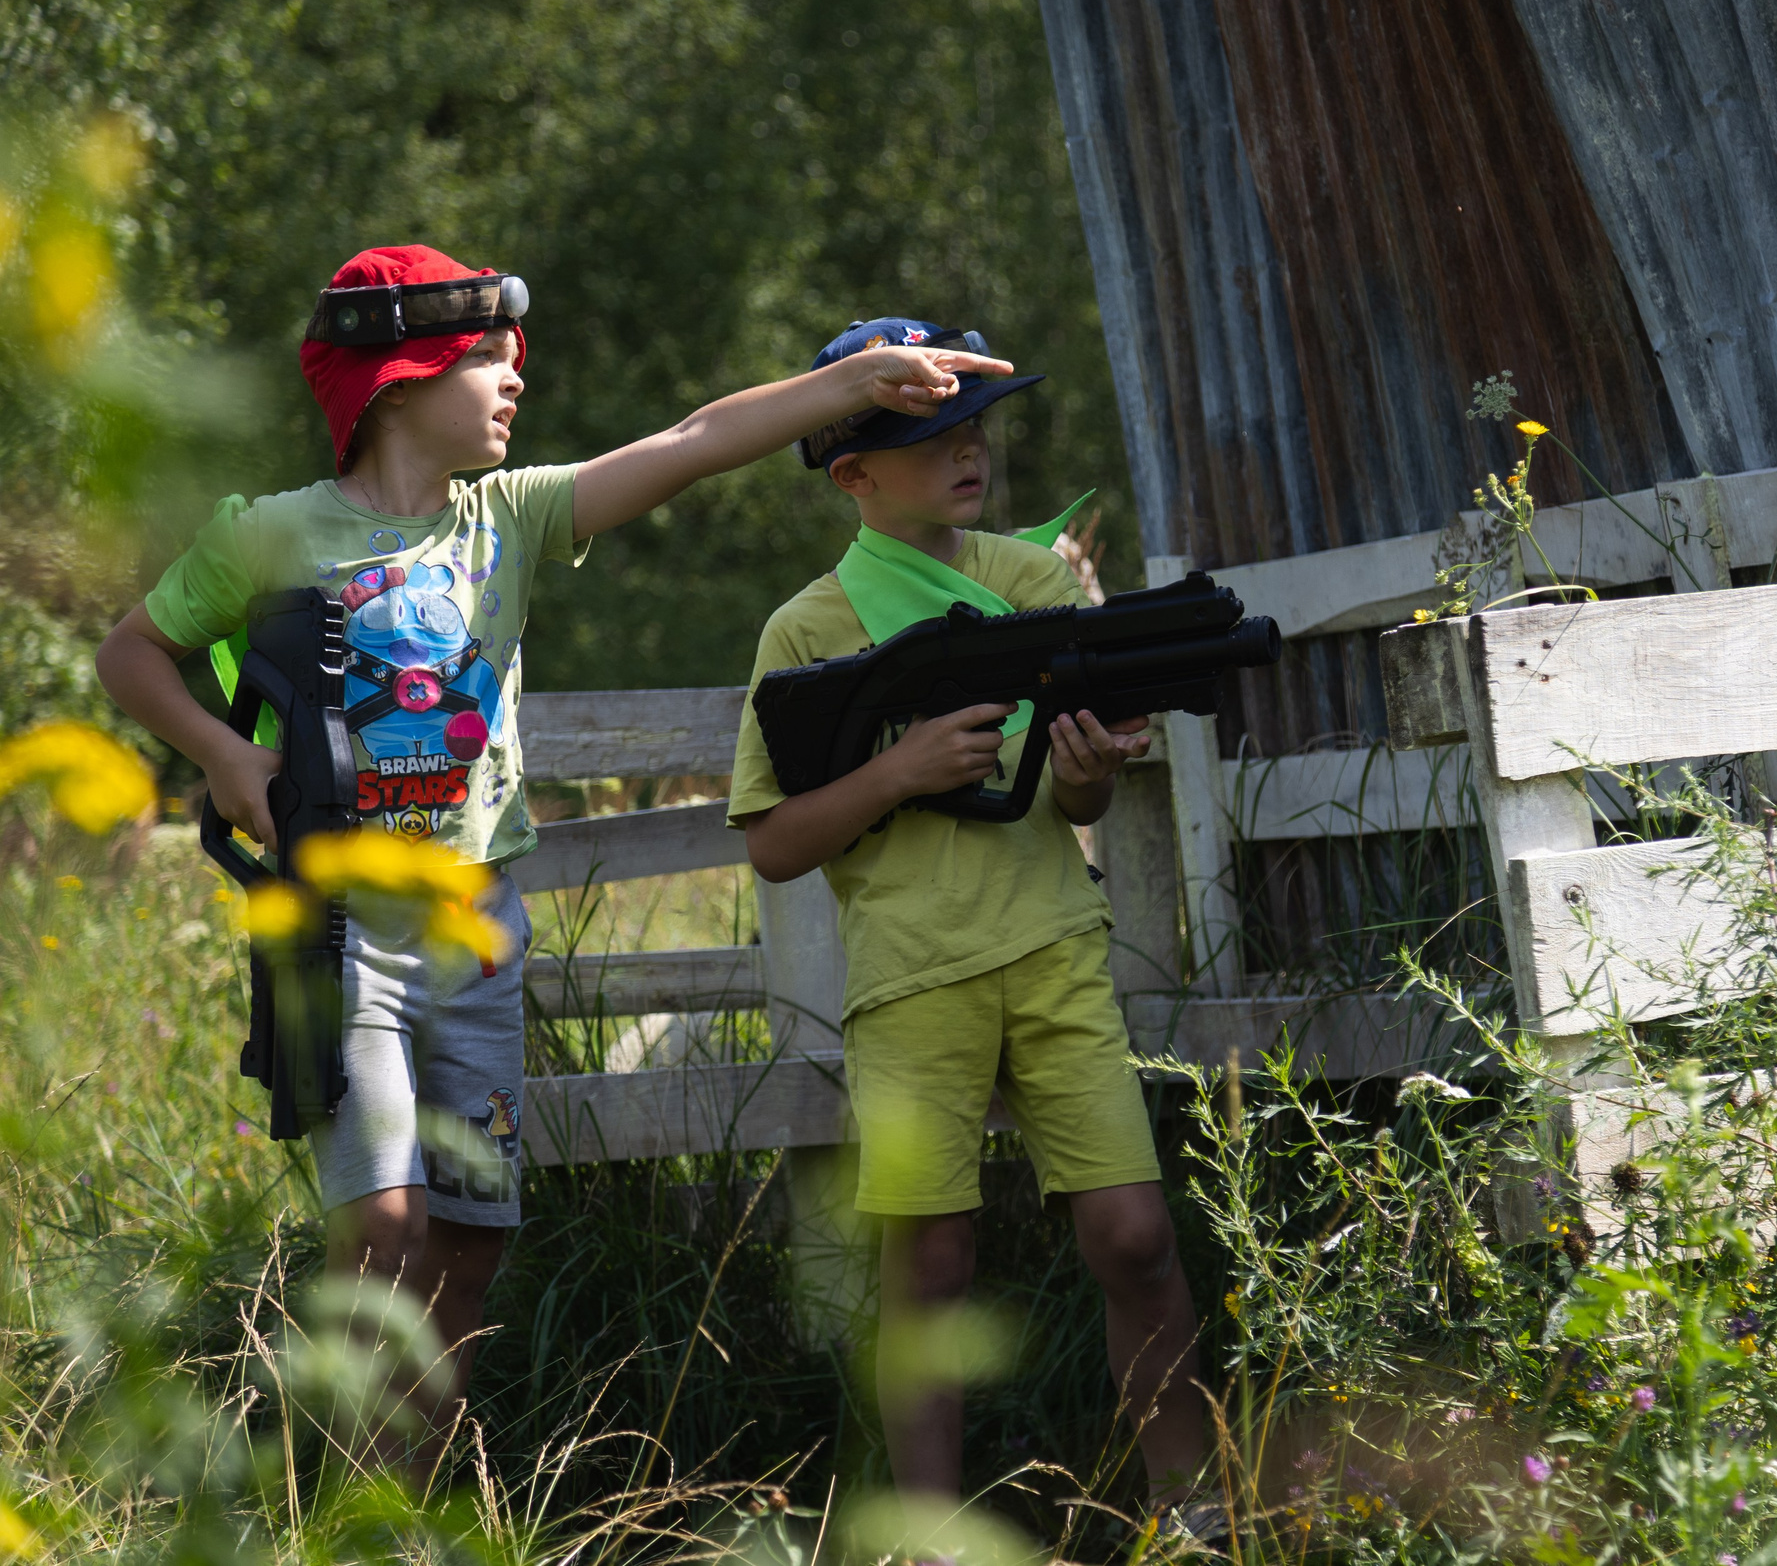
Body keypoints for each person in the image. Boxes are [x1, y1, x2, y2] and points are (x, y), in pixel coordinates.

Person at [93, 247, 1007, 1459]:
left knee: (471, 1240)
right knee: (381, 1225)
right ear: (402, 380)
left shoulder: (510, 517)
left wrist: (853, 385)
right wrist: (220, 756)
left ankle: (407, 1490)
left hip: (481, 925)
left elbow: (691, 441)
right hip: (339, 925)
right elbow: (131, 655)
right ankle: (339, 1497)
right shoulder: (268, 535)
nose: (516, 385)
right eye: (489, 363)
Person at [726, 316, 1208, 1513]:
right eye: (932, 434)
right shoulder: (806, 629)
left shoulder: (1033, 583)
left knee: (1137, 1238)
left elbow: (1070, 790)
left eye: (974, 427)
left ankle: (1196, 1514)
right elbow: (774, 843)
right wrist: (895, 773)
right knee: (928, 1269)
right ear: (853, 475)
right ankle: (926, 1536)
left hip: (1051, 942)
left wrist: (1093, 762)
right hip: (911, 974)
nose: (967, 452)